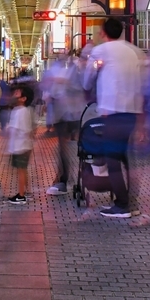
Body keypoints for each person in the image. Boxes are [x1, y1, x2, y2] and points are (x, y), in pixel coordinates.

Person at [84, 17, 146, 219]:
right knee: (127, 159)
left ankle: (122, 204)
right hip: (132, 112)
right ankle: (132, 203)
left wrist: (89, 85)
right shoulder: (133, 51)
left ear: (103, 32)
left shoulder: (101, 51)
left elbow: (87, 78)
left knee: (112, 159)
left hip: (112, 112)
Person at [44, 51, 85, 196]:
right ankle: (64, 178)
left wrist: (64, 83)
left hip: (74, 113)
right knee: (64, 148)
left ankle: (69, 179)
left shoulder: (76, 69)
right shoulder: (58, 68)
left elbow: (82, 87)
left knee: (74, 148)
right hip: (65, 113)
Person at [5, 83, 35, 204]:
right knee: (23, 170)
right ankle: (25, 192)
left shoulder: (21, 112)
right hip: (22, 145)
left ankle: (21, 195)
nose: (14, 95)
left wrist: (7, 129)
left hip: (20, 146)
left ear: (23, 98)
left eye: (17, 93)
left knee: (21, 170)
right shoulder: (20, 110)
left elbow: (18, 129)